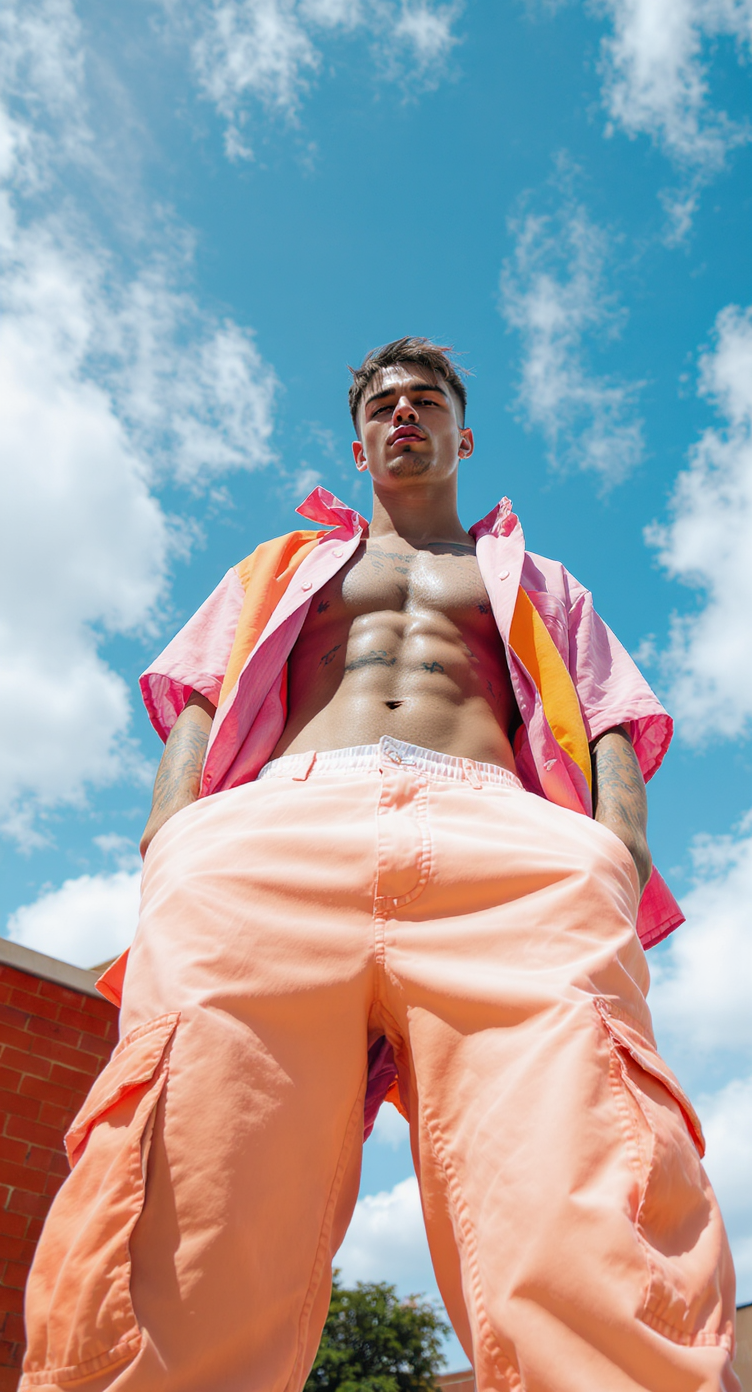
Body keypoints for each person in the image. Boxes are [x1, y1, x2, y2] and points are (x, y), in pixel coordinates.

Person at [21, 339, 738, 1392]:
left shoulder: (540, 583)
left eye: (426, 399)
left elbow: (609, 719)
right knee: (189, 1189)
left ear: (463, 432)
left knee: (585, 1181)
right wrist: (170, 838)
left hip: (505, 852)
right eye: (383, 404)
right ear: (356, 442)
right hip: (273, 843)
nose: (402, 414)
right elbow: (201, 696)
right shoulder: (278, 568)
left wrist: (613, 851)